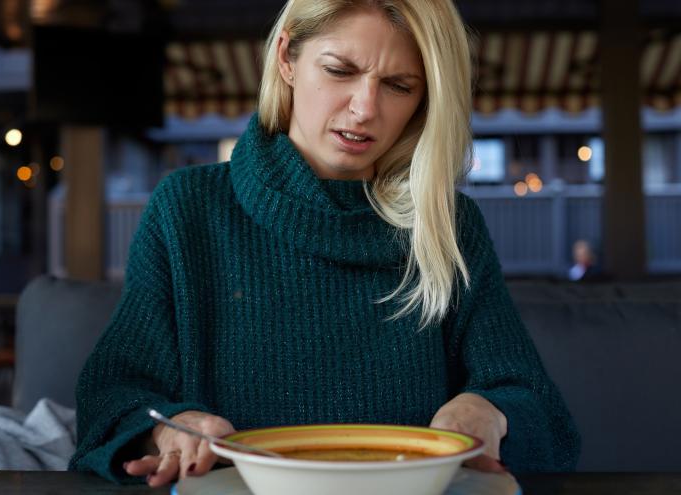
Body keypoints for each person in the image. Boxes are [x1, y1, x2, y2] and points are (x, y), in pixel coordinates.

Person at [69, 0, 580, 486]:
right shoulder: (187, 210)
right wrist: (168, 428)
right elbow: (112, 395)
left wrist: (490, 410)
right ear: (287, 57)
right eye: (339, 71)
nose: (364, 108)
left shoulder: (448, 224)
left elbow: (542, 414)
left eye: (399, 85)